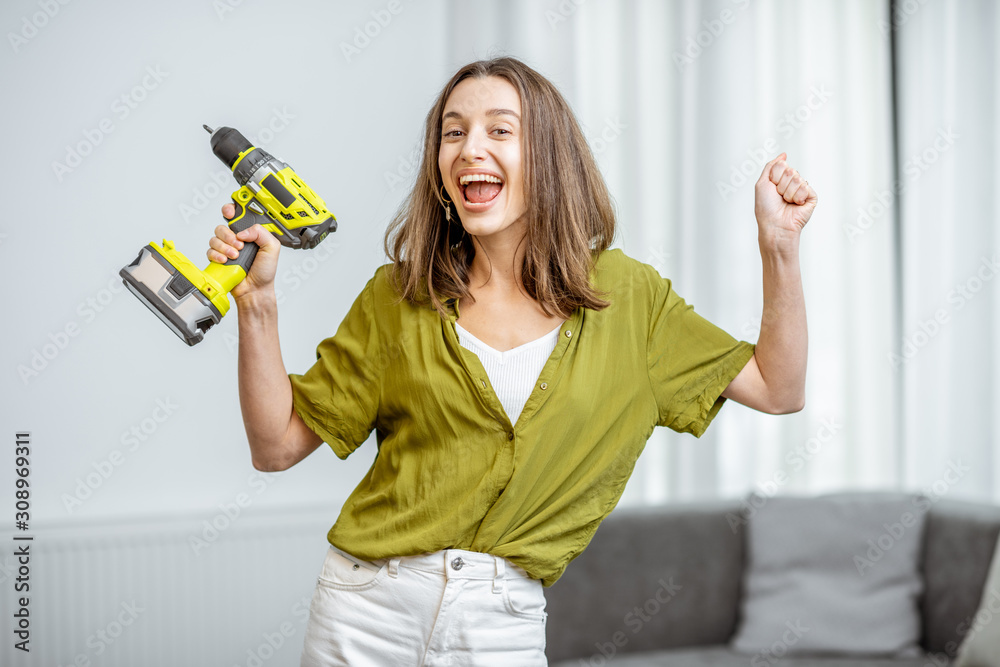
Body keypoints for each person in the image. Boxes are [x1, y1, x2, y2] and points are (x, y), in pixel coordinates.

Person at [207, 57, 816, 666]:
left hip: (503, 623)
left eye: (500, 130)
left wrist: (779, 247)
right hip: (364, 612)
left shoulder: (630, 299)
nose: (470, 148)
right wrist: (257, 304)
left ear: (550, 157)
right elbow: (276, 447)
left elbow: (777, 387)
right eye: (453, 131)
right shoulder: (399, 297)